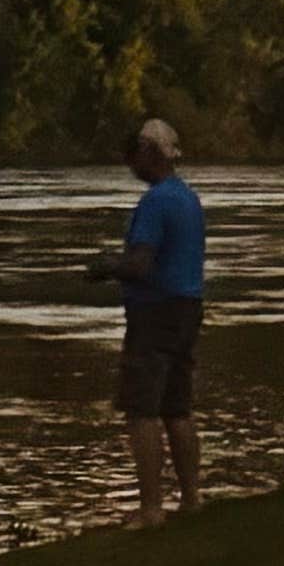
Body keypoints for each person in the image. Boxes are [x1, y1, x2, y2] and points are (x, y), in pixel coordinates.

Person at [110, 116, 206, 515]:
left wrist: (104, 267)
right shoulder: (187, 198)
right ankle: (191, 500)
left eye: (135, 154)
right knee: (177, 409)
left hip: (154, 314)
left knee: (142, 411)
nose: (131, 164)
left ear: (151, 153)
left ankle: (151, 509)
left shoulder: (154, 202)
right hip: (188, 309)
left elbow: (141, 264)